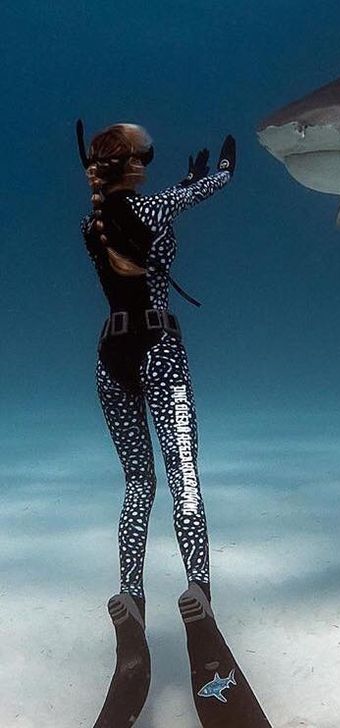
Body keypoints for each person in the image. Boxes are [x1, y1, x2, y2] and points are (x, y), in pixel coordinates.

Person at [79, 122, 270, 727]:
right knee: (184, 479)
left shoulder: (93, 223)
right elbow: (199, 194)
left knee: (139, 485)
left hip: (111, 356)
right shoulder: (156, 206)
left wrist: (184, 184)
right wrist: (220, 174)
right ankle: (200, 597)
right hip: (160, 350)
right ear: (133, 162)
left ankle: (131, 597)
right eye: (148, 153)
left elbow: (133, 222)